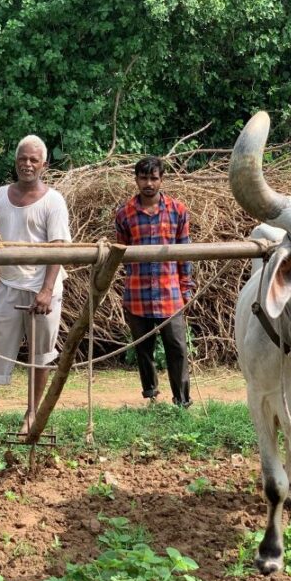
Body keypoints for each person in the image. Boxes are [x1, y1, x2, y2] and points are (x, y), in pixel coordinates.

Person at [0, 135, 71, 435]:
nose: (27, 164)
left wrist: (46, 291)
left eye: (33, 159)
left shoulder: (54, 201)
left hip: (43, 288)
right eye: (23, 158)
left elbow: (59, 249)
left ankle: (32, 414)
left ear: (44, 165)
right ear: (16, 161)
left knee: (41, 354)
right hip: (8, 285)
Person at [114, 155, 194, 407]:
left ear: (161, 180)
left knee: (177, 348)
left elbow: (185, 253)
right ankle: (151, 396)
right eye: (143, 178)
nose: (148, 183)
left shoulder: (177, 211)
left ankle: (182, 400)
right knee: (143, 349)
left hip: (170, 293)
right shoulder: (125, 214)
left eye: (153, 178)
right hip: (138, 293)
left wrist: (186, 289)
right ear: (136, 179)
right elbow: (121, 253)